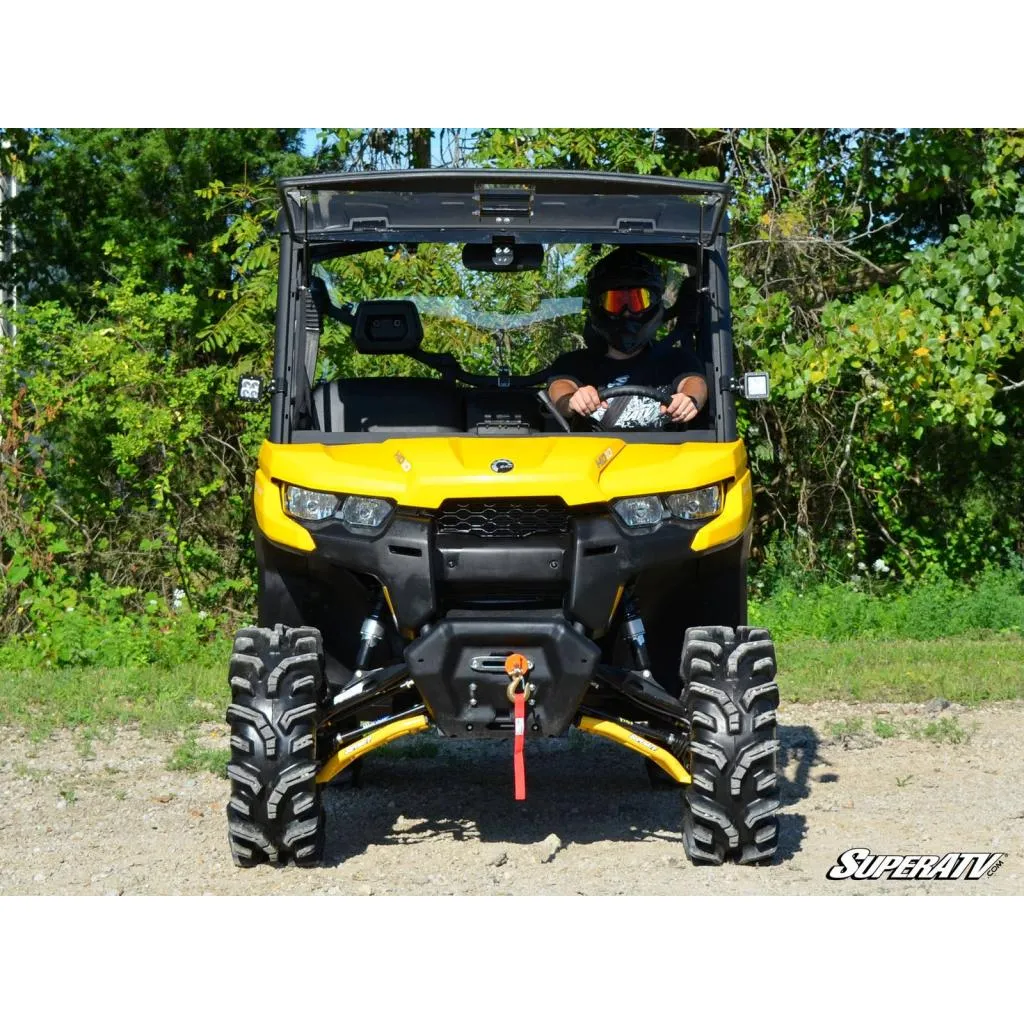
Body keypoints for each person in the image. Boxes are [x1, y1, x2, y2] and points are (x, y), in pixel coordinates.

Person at [547, 248, 708, 428]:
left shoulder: (676, 360)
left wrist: (689, 399)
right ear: (598, 306)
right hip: (594, 455)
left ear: (654, 304)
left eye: (638, 301)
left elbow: (695, 383)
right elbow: (560, 388)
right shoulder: (572, 364)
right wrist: (572, 400)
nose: (626, 313)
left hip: (666, 455)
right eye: (614, 302)